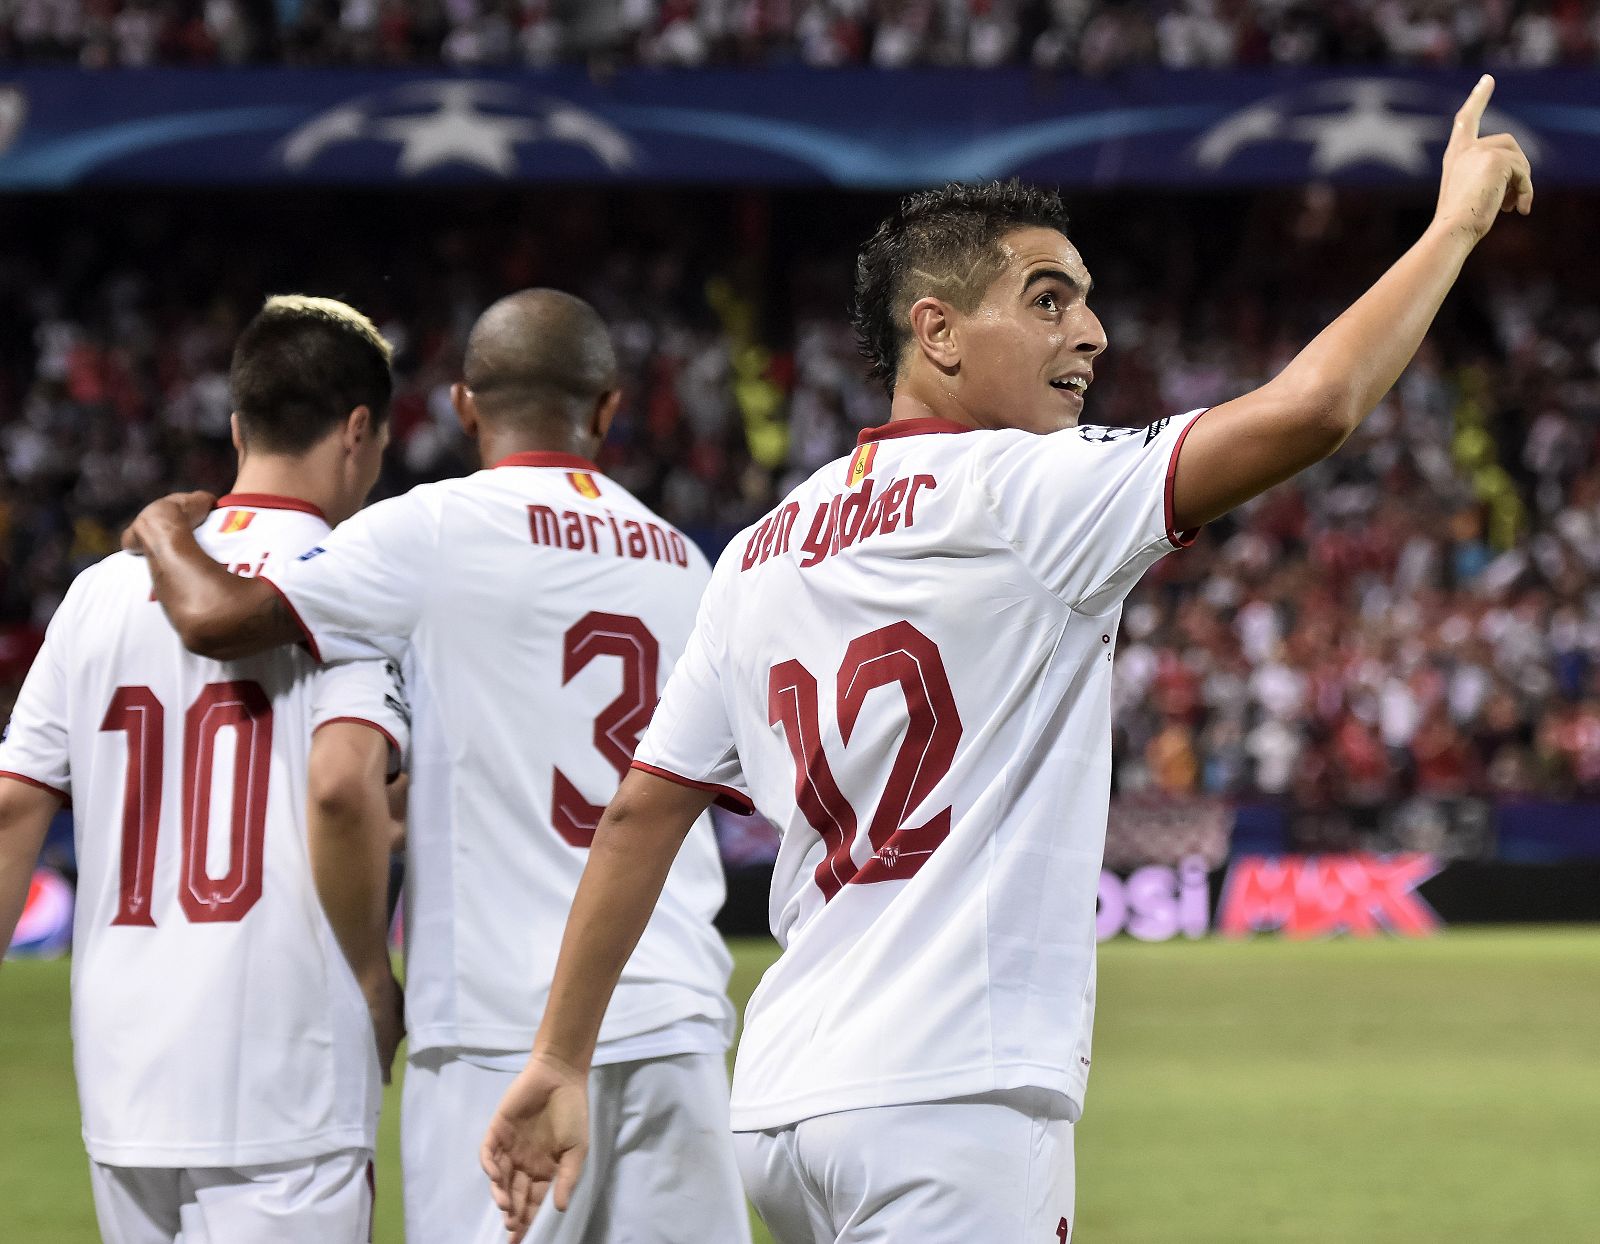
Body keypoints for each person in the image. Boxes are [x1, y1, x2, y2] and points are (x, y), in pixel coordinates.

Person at [477, 76, 1533, 1243]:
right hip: (954, 1098)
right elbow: (1314, 407)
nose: (1088, 331)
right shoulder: (1029, 487)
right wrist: (1452, 227)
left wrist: (559, 1056)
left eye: (1084, 302)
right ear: (934, 330)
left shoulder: (759, 550)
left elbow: (637, 814)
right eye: (1045, 298)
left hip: (779, 1104)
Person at [124, 289, 751, 1244]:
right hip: (675, 1017)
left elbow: (215, 620)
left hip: (502, 1033)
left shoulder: (430, 529)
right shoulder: (684, 563)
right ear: (610, 409)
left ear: (464, 406)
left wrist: (167, 530)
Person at [0, 295, 410, 1243]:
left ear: (237, 426)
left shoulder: (100, 590)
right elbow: (343, 788)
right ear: (359, 430)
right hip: (287, 1069)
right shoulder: (357, 580)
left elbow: (15, 810)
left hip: (125, 1075)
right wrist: (371, 979)